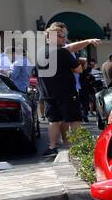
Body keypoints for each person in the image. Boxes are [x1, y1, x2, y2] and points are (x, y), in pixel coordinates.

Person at [41, 21, 100, 155]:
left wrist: (88, 41)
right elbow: (78, 69)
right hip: (66, 91)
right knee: (74, 119)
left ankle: (51, 147)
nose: (64, 39)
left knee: (54, 120)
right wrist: (81, 65)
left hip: (48, 93)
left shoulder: (40, 52)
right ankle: (79, 146)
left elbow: (70, 48)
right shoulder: (62, 52)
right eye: (61, 37)